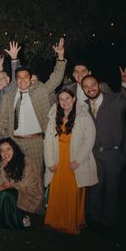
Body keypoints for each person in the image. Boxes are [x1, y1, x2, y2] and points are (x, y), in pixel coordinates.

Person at [0, 38, 67, 178]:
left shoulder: (40, 90)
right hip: (14, 142)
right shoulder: (9, 96)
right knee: (16, 177)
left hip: (36, 142)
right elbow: (3, 120)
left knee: (36, 177)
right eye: (19, 78)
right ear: (16, 80)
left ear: (30, 79)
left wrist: (60, 57)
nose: (22, 80)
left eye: (26, 77)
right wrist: (2, 139)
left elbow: (56, 79)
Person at [44, 88, 97, 234]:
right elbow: (48, 141)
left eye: (67, 98)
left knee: (72, 191)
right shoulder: (54, 116)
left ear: (73, 99)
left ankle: (72, 222)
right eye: (61, 99)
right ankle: (55, 221)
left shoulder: (83, 116)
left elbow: (89, 139)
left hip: (74, 160)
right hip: (58, 158)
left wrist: (78, 161)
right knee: (58, 190)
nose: (64, 102)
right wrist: (49, 162)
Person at [82, 72, 126, 232]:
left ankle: (107, 222)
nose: (90, 89)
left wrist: (124, 83)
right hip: (93, 155)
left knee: (111, 189)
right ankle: (94, 218)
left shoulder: (114, 100)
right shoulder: (83, 106)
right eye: (86, 87)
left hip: (113, 154)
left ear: (99, 85)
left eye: (93, 85)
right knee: (94, 188)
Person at [0, 138, 44, 229]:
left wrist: (12, 185)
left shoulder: (25, 163)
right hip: (12, 192)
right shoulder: (3, 164)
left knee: (6, 195)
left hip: (29, 194)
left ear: (14, 149)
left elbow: (28, 184)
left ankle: (20, 219)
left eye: (8, 149)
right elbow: (0, 183)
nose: (5, 153)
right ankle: (6, 221)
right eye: (2, 151)